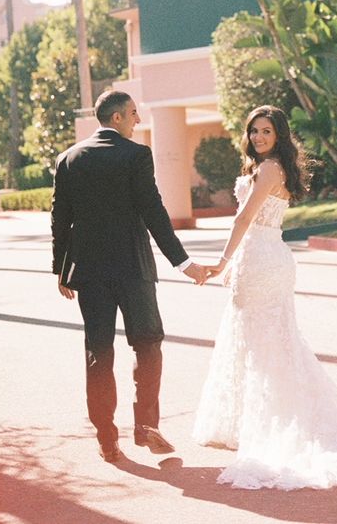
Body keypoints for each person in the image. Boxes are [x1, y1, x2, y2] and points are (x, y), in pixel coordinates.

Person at [194, 105, 337, 489]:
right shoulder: (269, 167)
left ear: (279, 135)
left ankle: (282, 426)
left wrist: (222, 261)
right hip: (265, 258)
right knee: (269, 344)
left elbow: (245, 218)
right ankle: (261, 421)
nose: (258, 137)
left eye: (266, 131)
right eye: (254, 131)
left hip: (262, 263)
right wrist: (235, 263)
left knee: (266, 347)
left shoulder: (269, 169)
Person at [51, 89, 208, 464]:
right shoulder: (136, 155)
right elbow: (153, 211)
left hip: (89, 273)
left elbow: (60, 220)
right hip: (134, 269)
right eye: (134, 113)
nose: (138, 120)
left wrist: (62, 270)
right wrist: (183, 262)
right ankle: (146, 426)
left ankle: (107, 439)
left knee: (99, 350)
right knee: (148, 344)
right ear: (117, 117)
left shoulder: (68, 159)